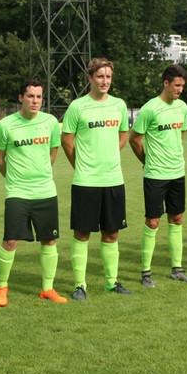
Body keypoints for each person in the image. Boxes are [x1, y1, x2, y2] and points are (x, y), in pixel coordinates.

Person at [61, 57, 131, 299]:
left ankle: (111, 282)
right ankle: (79, 285)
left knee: (112, 234)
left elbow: (124, 133)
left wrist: (111, 153)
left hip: (113, 180)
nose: (105, 81)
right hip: (86, 182)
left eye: (108, 77)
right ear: (90, 78)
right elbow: (67, 142)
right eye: (100, 76)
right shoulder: (77, 107)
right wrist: (80, 164)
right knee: (82, 233)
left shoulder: (119, 105)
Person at [0, 80, 66, 306]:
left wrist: (41, 173)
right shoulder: (6, 125)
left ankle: (47, 289)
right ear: (20, 98)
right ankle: (2, 287)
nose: (35, 101)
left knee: (49, 240)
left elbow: (52, 153)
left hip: (46, 191)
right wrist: (14, 178)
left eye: (39, 97)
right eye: (30, 96)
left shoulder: (51, 122)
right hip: (17, 192)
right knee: (11, 240)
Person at [129, 64, 187, 287]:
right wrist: (147, 161)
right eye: (176, 85)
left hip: (178, 173)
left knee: (177, 218)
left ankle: (177, 269)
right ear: (166, 83)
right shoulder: (149, 109)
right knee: (153, 221)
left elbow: (180, 134)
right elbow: (134, 139)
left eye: (182, 86)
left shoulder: (182, 107)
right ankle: (146, 273)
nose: (180, 90)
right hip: (156, 174)